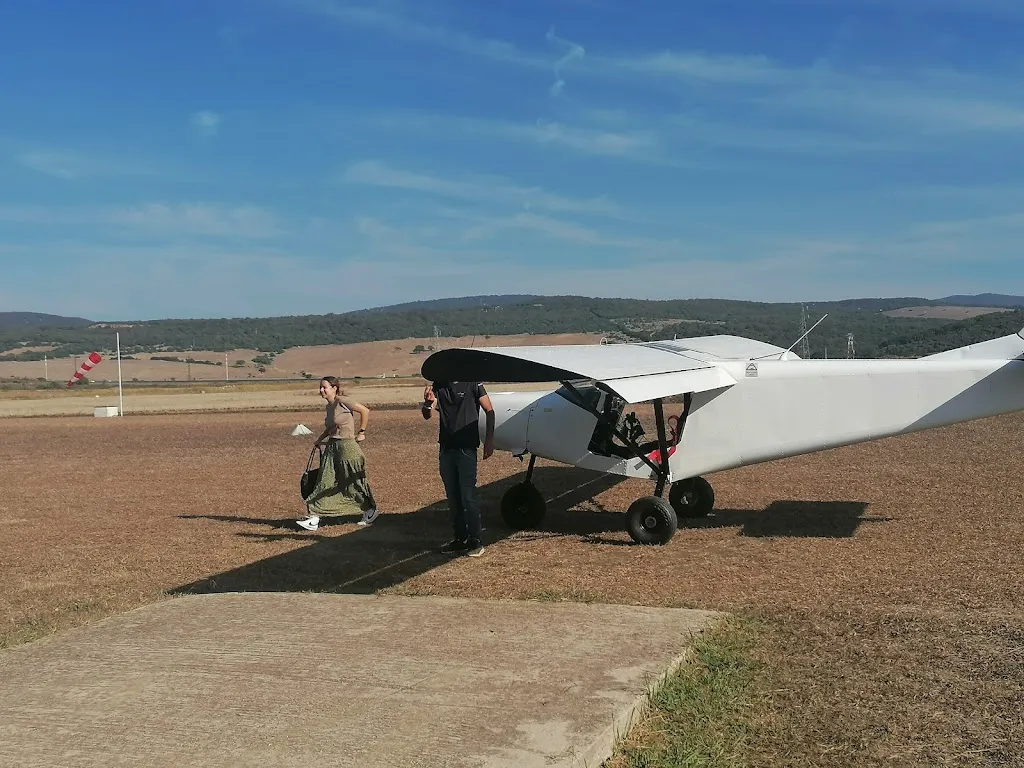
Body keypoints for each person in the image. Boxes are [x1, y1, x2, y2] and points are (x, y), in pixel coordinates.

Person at [422, 380, 494, 557]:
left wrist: (489, 441)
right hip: (446, 449)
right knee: (453, 498)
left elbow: (489, 410)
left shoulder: (473, 383)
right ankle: (460, 538)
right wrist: (427, 404)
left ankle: (475, 540)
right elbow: (427, 415)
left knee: (468, 496)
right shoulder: (439, 385)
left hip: (466, 449)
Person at [297, 376, 380, 531]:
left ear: (334, 388)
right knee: (324, 480)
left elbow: (365, 411)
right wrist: (319, 440)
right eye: (320, 387)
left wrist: (362, 432)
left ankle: (370, 509)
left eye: (324, 387)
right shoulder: (329, 407)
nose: (321, 390)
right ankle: (314, 517)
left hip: (347, 447)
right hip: (332, 446)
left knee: (353, 481)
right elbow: (331, 428)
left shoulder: (343, 401)